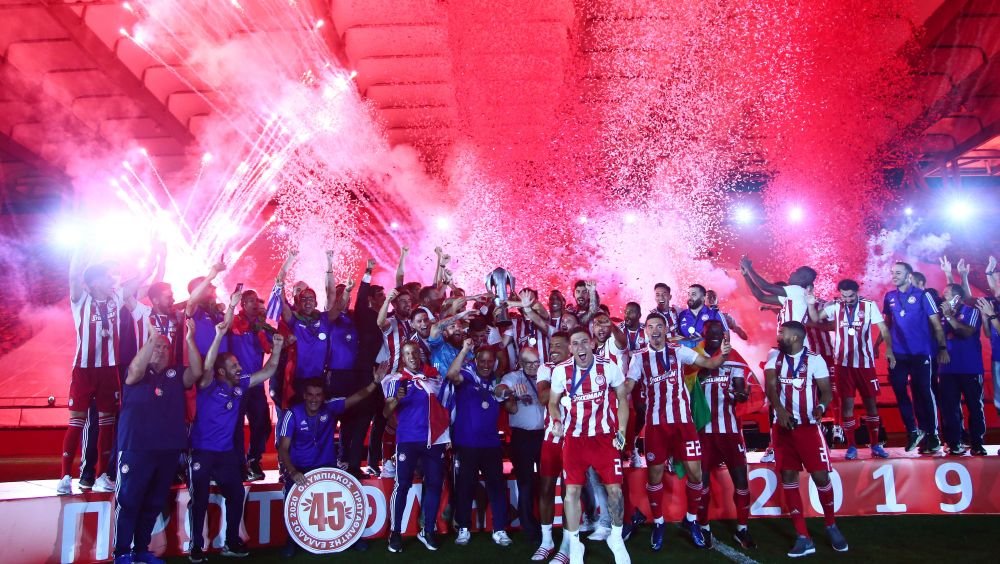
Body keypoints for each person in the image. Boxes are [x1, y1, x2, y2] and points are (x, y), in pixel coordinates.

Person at [625, 313, 730, 550]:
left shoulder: (678, 350)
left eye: (659, 326)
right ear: (646, 331)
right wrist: (615, 388)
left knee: (696, 474)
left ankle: (691, 520)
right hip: (655, 426)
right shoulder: (639, 358)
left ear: (665, 329)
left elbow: (710, 364)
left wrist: (723, 354)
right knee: (655, 476)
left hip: (683, 424)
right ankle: (659, 523)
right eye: (650, 327)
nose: (655, 330)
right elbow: (629, 384)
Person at [187, 322, 287, 562]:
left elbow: (267, 371)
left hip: (226, 454)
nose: (240, 367)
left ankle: (231, 542)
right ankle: (196, 546)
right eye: (234, 365)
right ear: (222, 371)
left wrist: (276, 349)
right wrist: (219, 335)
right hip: (201, 451)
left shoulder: (240, 384)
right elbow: (208, 365)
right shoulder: (208, 385)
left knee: (236, 494)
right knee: (199, 499)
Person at [114, 318, 203, 564]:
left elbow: (196, 372)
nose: (161, 351)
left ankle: (141, 549)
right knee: (129, 501)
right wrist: (152, 339)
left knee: (153, 502)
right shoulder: (137, 373)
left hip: (167, 450)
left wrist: (189, 340)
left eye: (165, 347)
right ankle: (121, 553)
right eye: (157, 346)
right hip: (136, 448)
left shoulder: (175, 374)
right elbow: (134, 370)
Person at [60, 255, 148, 495]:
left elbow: (138, 280)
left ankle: (101, 476)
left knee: (107, 423)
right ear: (95, 282)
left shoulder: (115, 299)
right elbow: (74, 276)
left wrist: (155, 258)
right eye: (108, 277)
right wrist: (80, 248)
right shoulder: (81, 299)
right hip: (84, 369)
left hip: (109, 370)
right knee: (77, 422)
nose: (113, 281)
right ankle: (65, 476)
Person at [276, 375, 384, 557]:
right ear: (304, 395)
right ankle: (292, 539)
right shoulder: (292, 414)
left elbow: (357, 397)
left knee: (345, 491)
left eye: (318, 395)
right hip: (300, 468)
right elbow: (283, 448)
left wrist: (375, 382)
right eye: (310, 394)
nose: (314, 399)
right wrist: (292, 472)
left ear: (323, 397)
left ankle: (353, 536)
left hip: (326, 466)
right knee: (291, 496)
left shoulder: (330, 407)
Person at [548, 327, 630, 564]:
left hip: (604, 438)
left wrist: (622, 430)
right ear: (570, 348)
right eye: (575, 343)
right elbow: (553, 402)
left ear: (592, 343)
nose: (580, 347)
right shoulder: (561, 371)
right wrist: (556, 421)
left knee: (615, 490)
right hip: (574, 439)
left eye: (585, 341)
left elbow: (622, 398)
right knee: (571, 492)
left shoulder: (609, 367)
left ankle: (616, 538)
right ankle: (575, 545)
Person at [764, 321, 847, 558]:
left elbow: (826, 391)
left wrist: (821, 407)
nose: (778, 336)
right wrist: (779, 410)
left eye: (782, 333)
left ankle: (831, 525)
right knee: (788, 477)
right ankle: (803, 536)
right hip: (783, 429)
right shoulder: (774, 357)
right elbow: (770, 387)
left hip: (809, 428)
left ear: (795, 338)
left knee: (821, 477)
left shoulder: (815, 360)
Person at [808, 279, 893, 459]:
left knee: (871, 405)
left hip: (865, 364)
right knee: (847, 405)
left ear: (857, 292)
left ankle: (875, 444)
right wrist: (810, 304)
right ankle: (851, 446)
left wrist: (889, 350)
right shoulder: (835, 306)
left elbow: (884, 328)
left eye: (851, 296)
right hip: (843, 365)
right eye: (844, 296)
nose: (847, 299)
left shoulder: (869, 305)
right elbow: (815, 319)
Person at [383, 342, 451, 553]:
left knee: (434, 484)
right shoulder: (395, 380)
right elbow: (386, 413)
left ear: (419, 355)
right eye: (407, 354)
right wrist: (396, 399)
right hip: (408, 440)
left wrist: (448, 434)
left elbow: (445, 405)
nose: (412, 356)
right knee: (402, 485)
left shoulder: (433, 377)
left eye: (414, 352)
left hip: (434, 439)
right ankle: (395, 532)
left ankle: (428, 530)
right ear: (403, 358)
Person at [694, 320, 756, 549]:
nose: (715, 337)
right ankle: (703, 526)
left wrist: (741, 394)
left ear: (724, 336)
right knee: (702, 484)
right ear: (703, 334)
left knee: (741, 481)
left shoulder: (734, 359)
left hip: (729, 431)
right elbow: (688, 390)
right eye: (710, 333)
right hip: (703, 432)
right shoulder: (694, 358)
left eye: (719, 334)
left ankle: (742, 528)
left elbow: (740, 388)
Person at [445, 341, 513, 547]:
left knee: (497, 487)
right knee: (465, 487)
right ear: (475, 361)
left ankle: (499, 529)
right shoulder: (467, 377)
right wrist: (465, 350)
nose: (485, 364)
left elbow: (512, 408)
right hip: (466, 443)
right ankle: (463, 528)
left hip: (491, 443)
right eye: (482, 361)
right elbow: (451, 374)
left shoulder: (497, 382)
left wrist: (511, 394)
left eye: (489, 361)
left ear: (494, 363)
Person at [882, 261, 948, 454]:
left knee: (924, 392)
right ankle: (913, 430)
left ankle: (932, 435)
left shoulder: (923, 296)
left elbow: (936, 324)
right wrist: (886, 347)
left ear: (909, 276)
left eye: (898, 273)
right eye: (893, 272)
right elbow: (887, 324)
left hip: (921, 353)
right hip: (899, 354)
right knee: (899, 389)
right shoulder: (890, 297)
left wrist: (942, 348)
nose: (894, 276)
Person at [497, 348, 546, 546]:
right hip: (522, 437)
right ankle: (529, 528)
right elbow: (499, 390)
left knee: (546, 481)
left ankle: (546, 523)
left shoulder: (545, 375)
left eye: (536, 362)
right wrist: (510, 393)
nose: (534, 366)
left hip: (545, 436)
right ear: (521, 363)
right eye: (529, 363)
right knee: (525, 483)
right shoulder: (513, 377)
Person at [228, 288, 276, 480]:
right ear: (242, 304)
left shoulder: (262, 327)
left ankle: (254, 460)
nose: (255, 304)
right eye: (250, 300)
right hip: (236, 383)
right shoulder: (234, 322)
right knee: (236, 426)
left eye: (257, 300)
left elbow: (275, 344)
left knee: (263, 424)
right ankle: (239, 466)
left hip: (255, 383)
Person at [532, 331, 571, 563]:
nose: (553, 349)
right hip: (551, 437)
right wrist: (567, 382)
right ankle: (546, 541)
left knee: (569, 493)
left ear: (570, 348)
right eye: (551, 345)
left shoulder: (581, 367)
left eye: (558, 345)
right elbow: (544, 397)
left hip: (574, 439)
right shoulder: (545, 368)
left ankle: (567, 544)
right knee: (546, 488)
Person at [938, 284, 986, 456]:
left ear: (957, 297)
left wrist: (949, 317)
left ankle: (977, 443)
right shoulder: (940, 315)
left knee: (975, 406)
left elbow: (966, 332)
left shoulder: (971, 311)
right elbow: (937, 335)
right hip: (947, 369)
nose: (943, 297)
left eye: (947, 294)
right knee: (949, 408)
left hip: (970, 367)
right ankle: (954, 442)